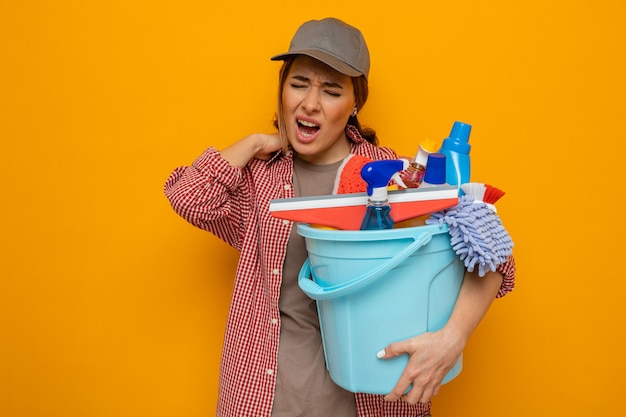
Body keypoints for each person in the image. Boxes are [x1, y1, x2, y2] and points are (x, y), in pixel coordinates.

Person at [164, 17, 516, 417]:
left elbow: (495, 256)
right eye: (298, 84)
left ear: (354, 104)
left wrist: (452, 339)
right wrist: (255, 142)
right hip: (265, 398)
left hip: (373, 402)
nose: (310, 103)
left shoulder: (396, 175)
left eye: (331, 91)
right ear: (281, 90)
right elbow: (188, 197)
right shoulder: (258, 180)